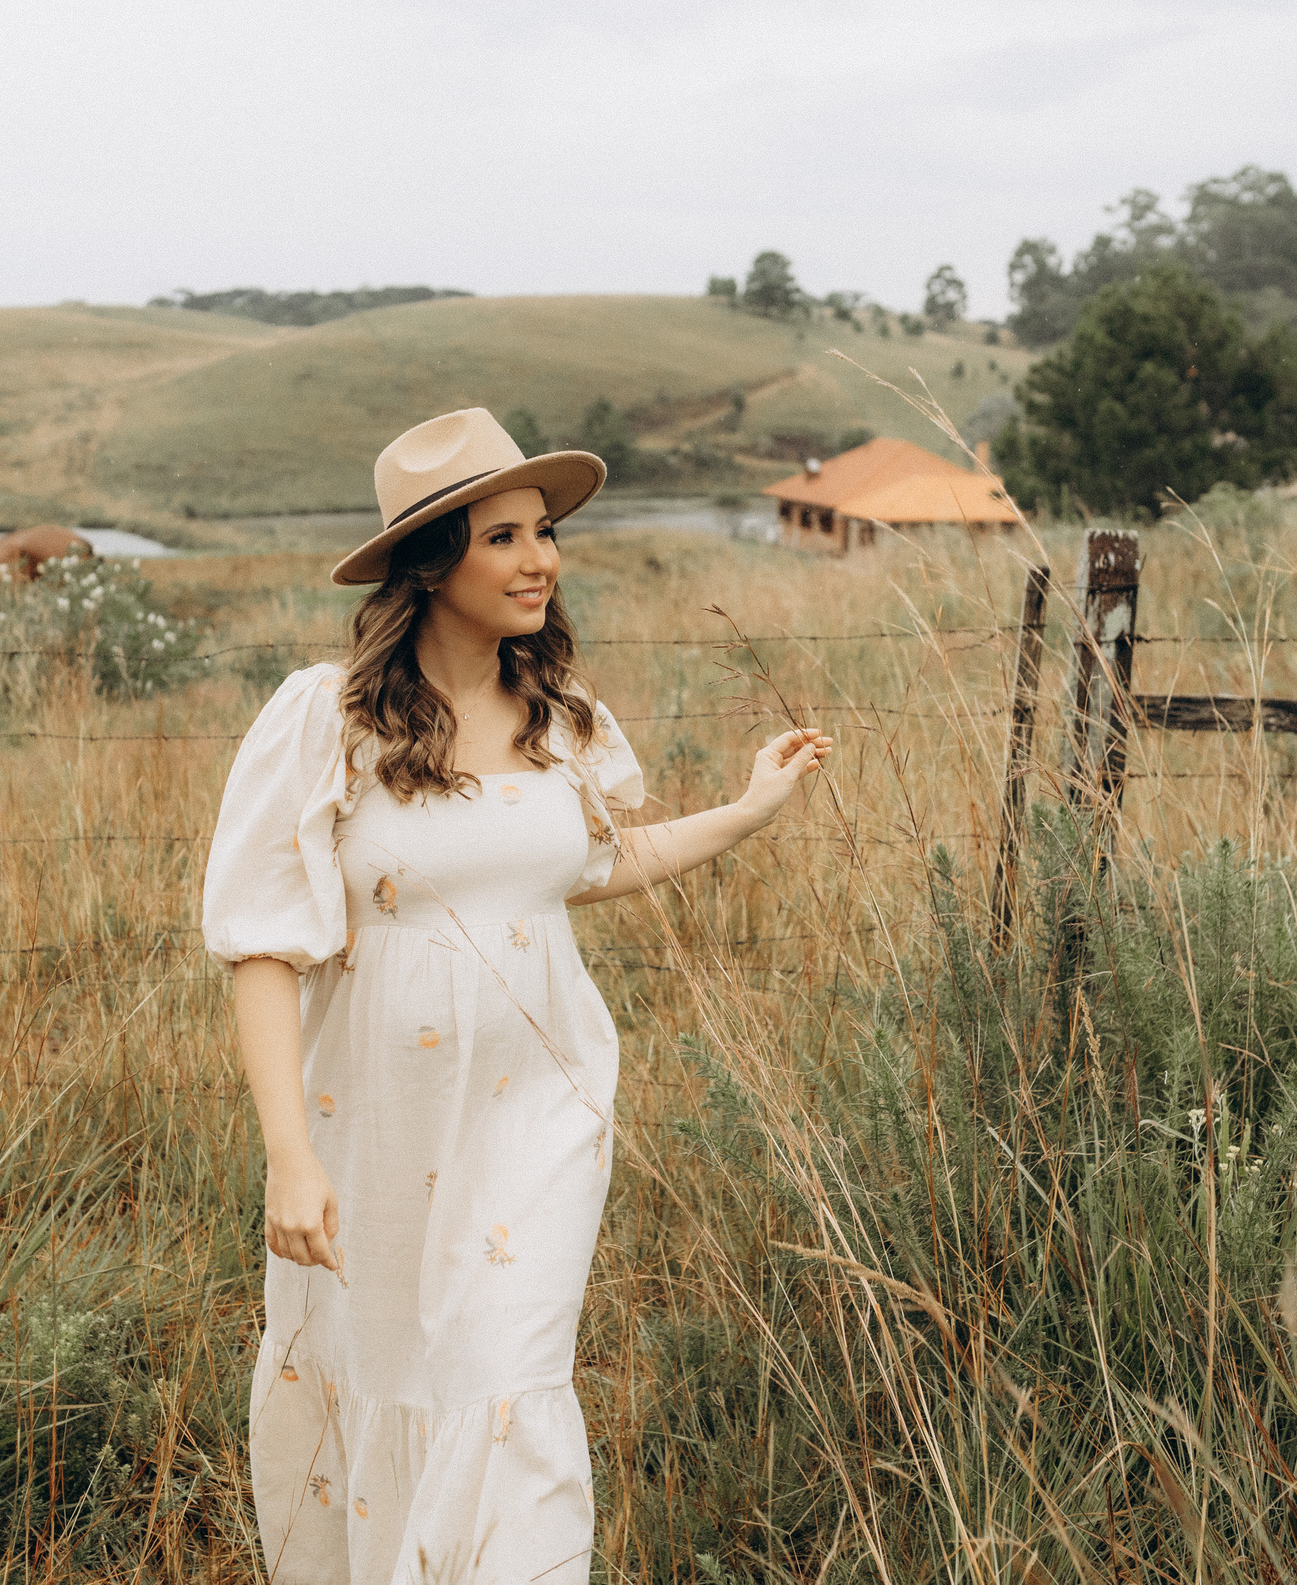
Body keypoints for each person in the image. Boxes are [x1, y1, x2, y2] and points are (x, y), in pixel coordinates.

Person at [202, 407, 832, 1581]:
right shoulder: (324, 722)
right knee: (374, 1368)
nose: (540, 559)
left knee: (507, 1379)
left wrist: (745, 809)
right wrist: (290, 1160)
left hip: (541, 1110)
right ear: (432, 564)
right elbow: (261, 952)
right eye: (504, 537)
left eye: (543, 533)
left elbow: (591, 868)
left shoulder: (563, 721)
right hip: (373, 1119)